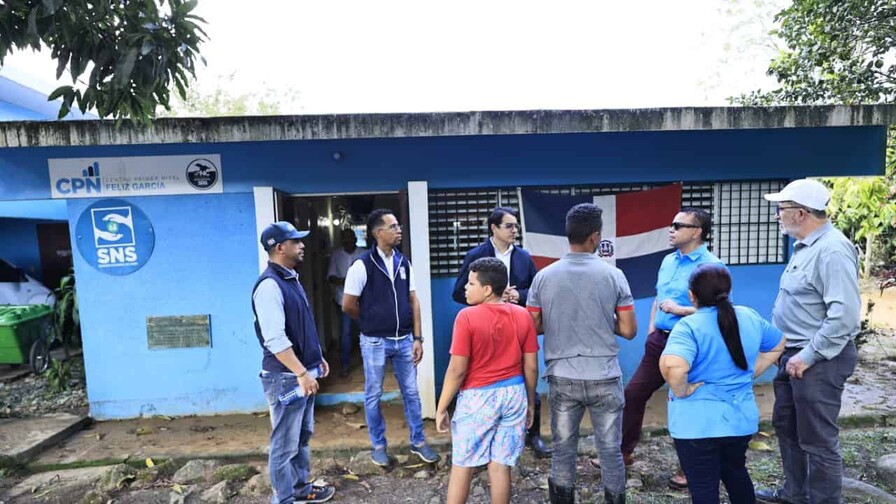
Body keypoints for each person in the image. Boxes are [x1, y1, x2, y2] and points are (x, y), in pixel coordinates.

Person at [756, 179, 861, 504]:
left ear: (800, 213)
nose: (777, 215)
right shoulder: (807, 247)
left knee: (817, 439)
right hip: (792, 355)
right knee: (787, 428)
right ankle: (795, 493)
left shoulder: (832, 250)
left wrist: (809, 355)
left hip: (819, 360)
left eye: (781, 209)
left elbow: (844, 317)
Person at [527, 203, 637, 504]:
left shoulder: (543, 277)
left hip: (562, 376)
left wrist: (560, 317)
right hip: (605, 375)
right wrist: (602, 317)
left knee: (563, 450)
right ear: (595, 237)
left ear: (568, 235)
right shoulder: (613, 276)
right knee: (611, 449)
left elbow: (532, 324)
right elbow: (628, 330)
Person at [614, 207, 723, 489]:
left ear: (697, 231)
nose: (671, 229)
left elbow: (719, 312)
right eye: (671, 224)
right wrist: (653, 328)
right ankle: (623, 453)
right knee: (633, 393)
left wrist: (680, 310)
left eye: (678, 225)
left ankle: (691, 467)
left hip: (691, 343)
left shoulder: (711, 266)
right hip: (659, 341)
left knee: (687, 402)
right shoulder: (667, 261)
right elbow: (658, 297)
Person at [659, 263, 785, 504]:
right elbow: (779, 344)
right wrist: (752, 372)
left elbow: (673, 367)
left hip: (697, 425)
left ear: (691, 296)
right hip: (739, 421)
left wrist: (682, 390)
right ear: (728, 290)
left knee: (704, 487)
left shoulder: (688, 327)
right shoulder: (748, 316)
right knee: (736, 474)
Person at [437, 257, 540, 504]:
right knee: (501, 464)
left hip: (478, 399)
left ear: (486, 289)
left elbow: (457, 370)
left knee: (463, 464)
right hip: (514, 395)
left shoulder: (466, 317)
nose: (465, 288)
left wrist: (442, 407)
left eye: (471, 283)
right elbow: (532, 366)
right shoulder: (523, 316)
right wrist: (531, 402)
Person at [342, 209, 440, 466]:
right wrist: (370, 322)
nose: (399, 230)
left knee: (411, 392)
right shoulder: (362, 265)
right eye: (393, 226)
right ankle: (378, 445)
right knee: (373, 393)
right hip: (374, 341)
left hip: (404, 339)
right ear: (378, 233)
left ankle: (418, 442)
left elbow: (413, 301)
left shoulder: (403, 262)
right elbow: (348, 305)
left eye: (399, 226)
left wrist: (418, 337)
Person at [451, 206, 550, 457]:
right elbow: (458, 292)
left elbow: (536, 291)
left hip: (515, 325)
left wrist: (518, 295)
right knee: (483, 379)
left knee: (525, 374)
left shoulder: (524, 257)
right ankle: (485, 438)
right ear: (493, 228)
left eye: (516, 225)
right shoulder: (476, 255)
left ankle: (533, 436)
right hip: (485, 329)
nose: (514, 230)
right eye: (509, 226)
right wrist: (489, 298)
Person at [252, 221, 335, 504]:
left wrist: (316, 358)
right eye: (296, 241)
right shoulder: (269, 286)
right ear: (279, 248)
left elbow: (301, 326)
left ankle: (301, 490)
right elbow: (275, 339)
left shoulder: (290, 278)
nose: (302, 246)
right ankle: (283, 499)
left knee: (300, 437)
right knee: (284, 444)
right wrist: (301, 372)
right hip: (286, 378)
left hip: (301, 371)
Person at [327, 228, 365, 378]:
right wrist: (347, 281)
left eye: (351, 238)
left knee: (367, 332)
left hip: (364, 301)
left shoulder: (364, 253)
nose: (348, 241)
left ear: (355, 239)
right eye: (345, 239)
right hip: (343, 300)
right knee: (346, 333)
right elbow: (330, 277)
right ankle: (345, 366)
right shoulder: (336, 255)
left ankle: (370, 363)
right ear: (342, 240)